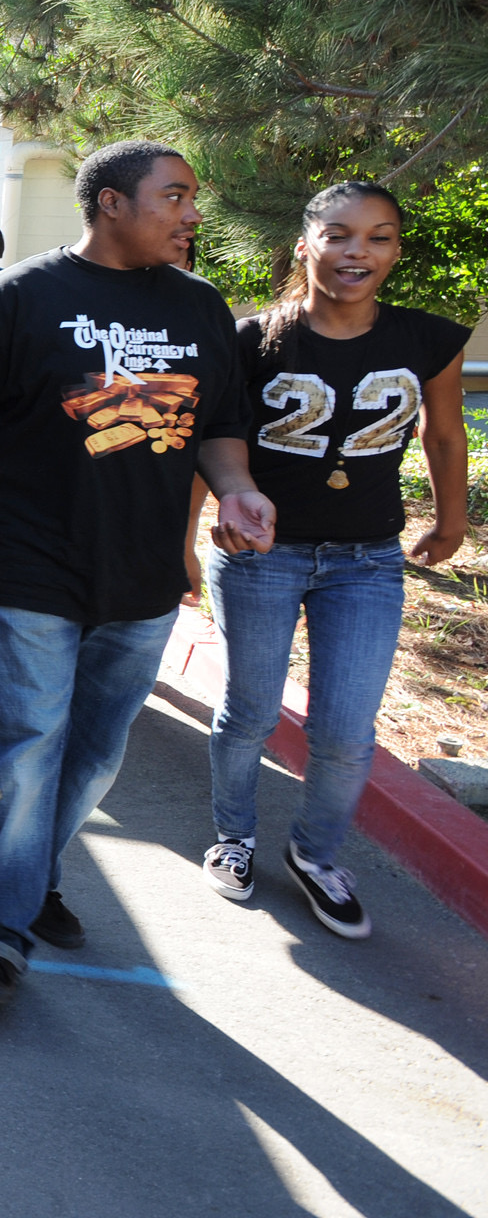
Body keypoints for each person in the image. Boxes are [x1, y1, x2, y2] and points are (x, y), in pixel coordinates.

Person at [0, 140, 274, 1005]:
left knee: (94, 755)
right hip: (30, 563)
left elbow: (217, 426)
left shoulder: (201, 307)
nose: (192, 213)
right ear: (110, 203)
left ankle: (29, 875)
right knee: (23, 749)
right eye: (175, 196)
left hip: (143, 576)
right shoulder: (19, 296)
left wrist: (238, 491)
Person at [194, 182, 472, 939]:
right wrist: (185, 542)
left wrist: (454, 520)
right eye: (341, 235)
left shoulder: (427, 338)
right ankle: (235, 839)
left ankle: (316, 855)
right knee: (249, 712)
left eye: (379, 238)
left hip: (368, 560)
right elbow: (213, 443)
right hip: (261, 555)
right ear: (305, 245)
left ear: (395, 251)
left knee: (347, 731)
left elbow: (443, 436)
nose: (359, 252)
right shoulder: (252, 340)